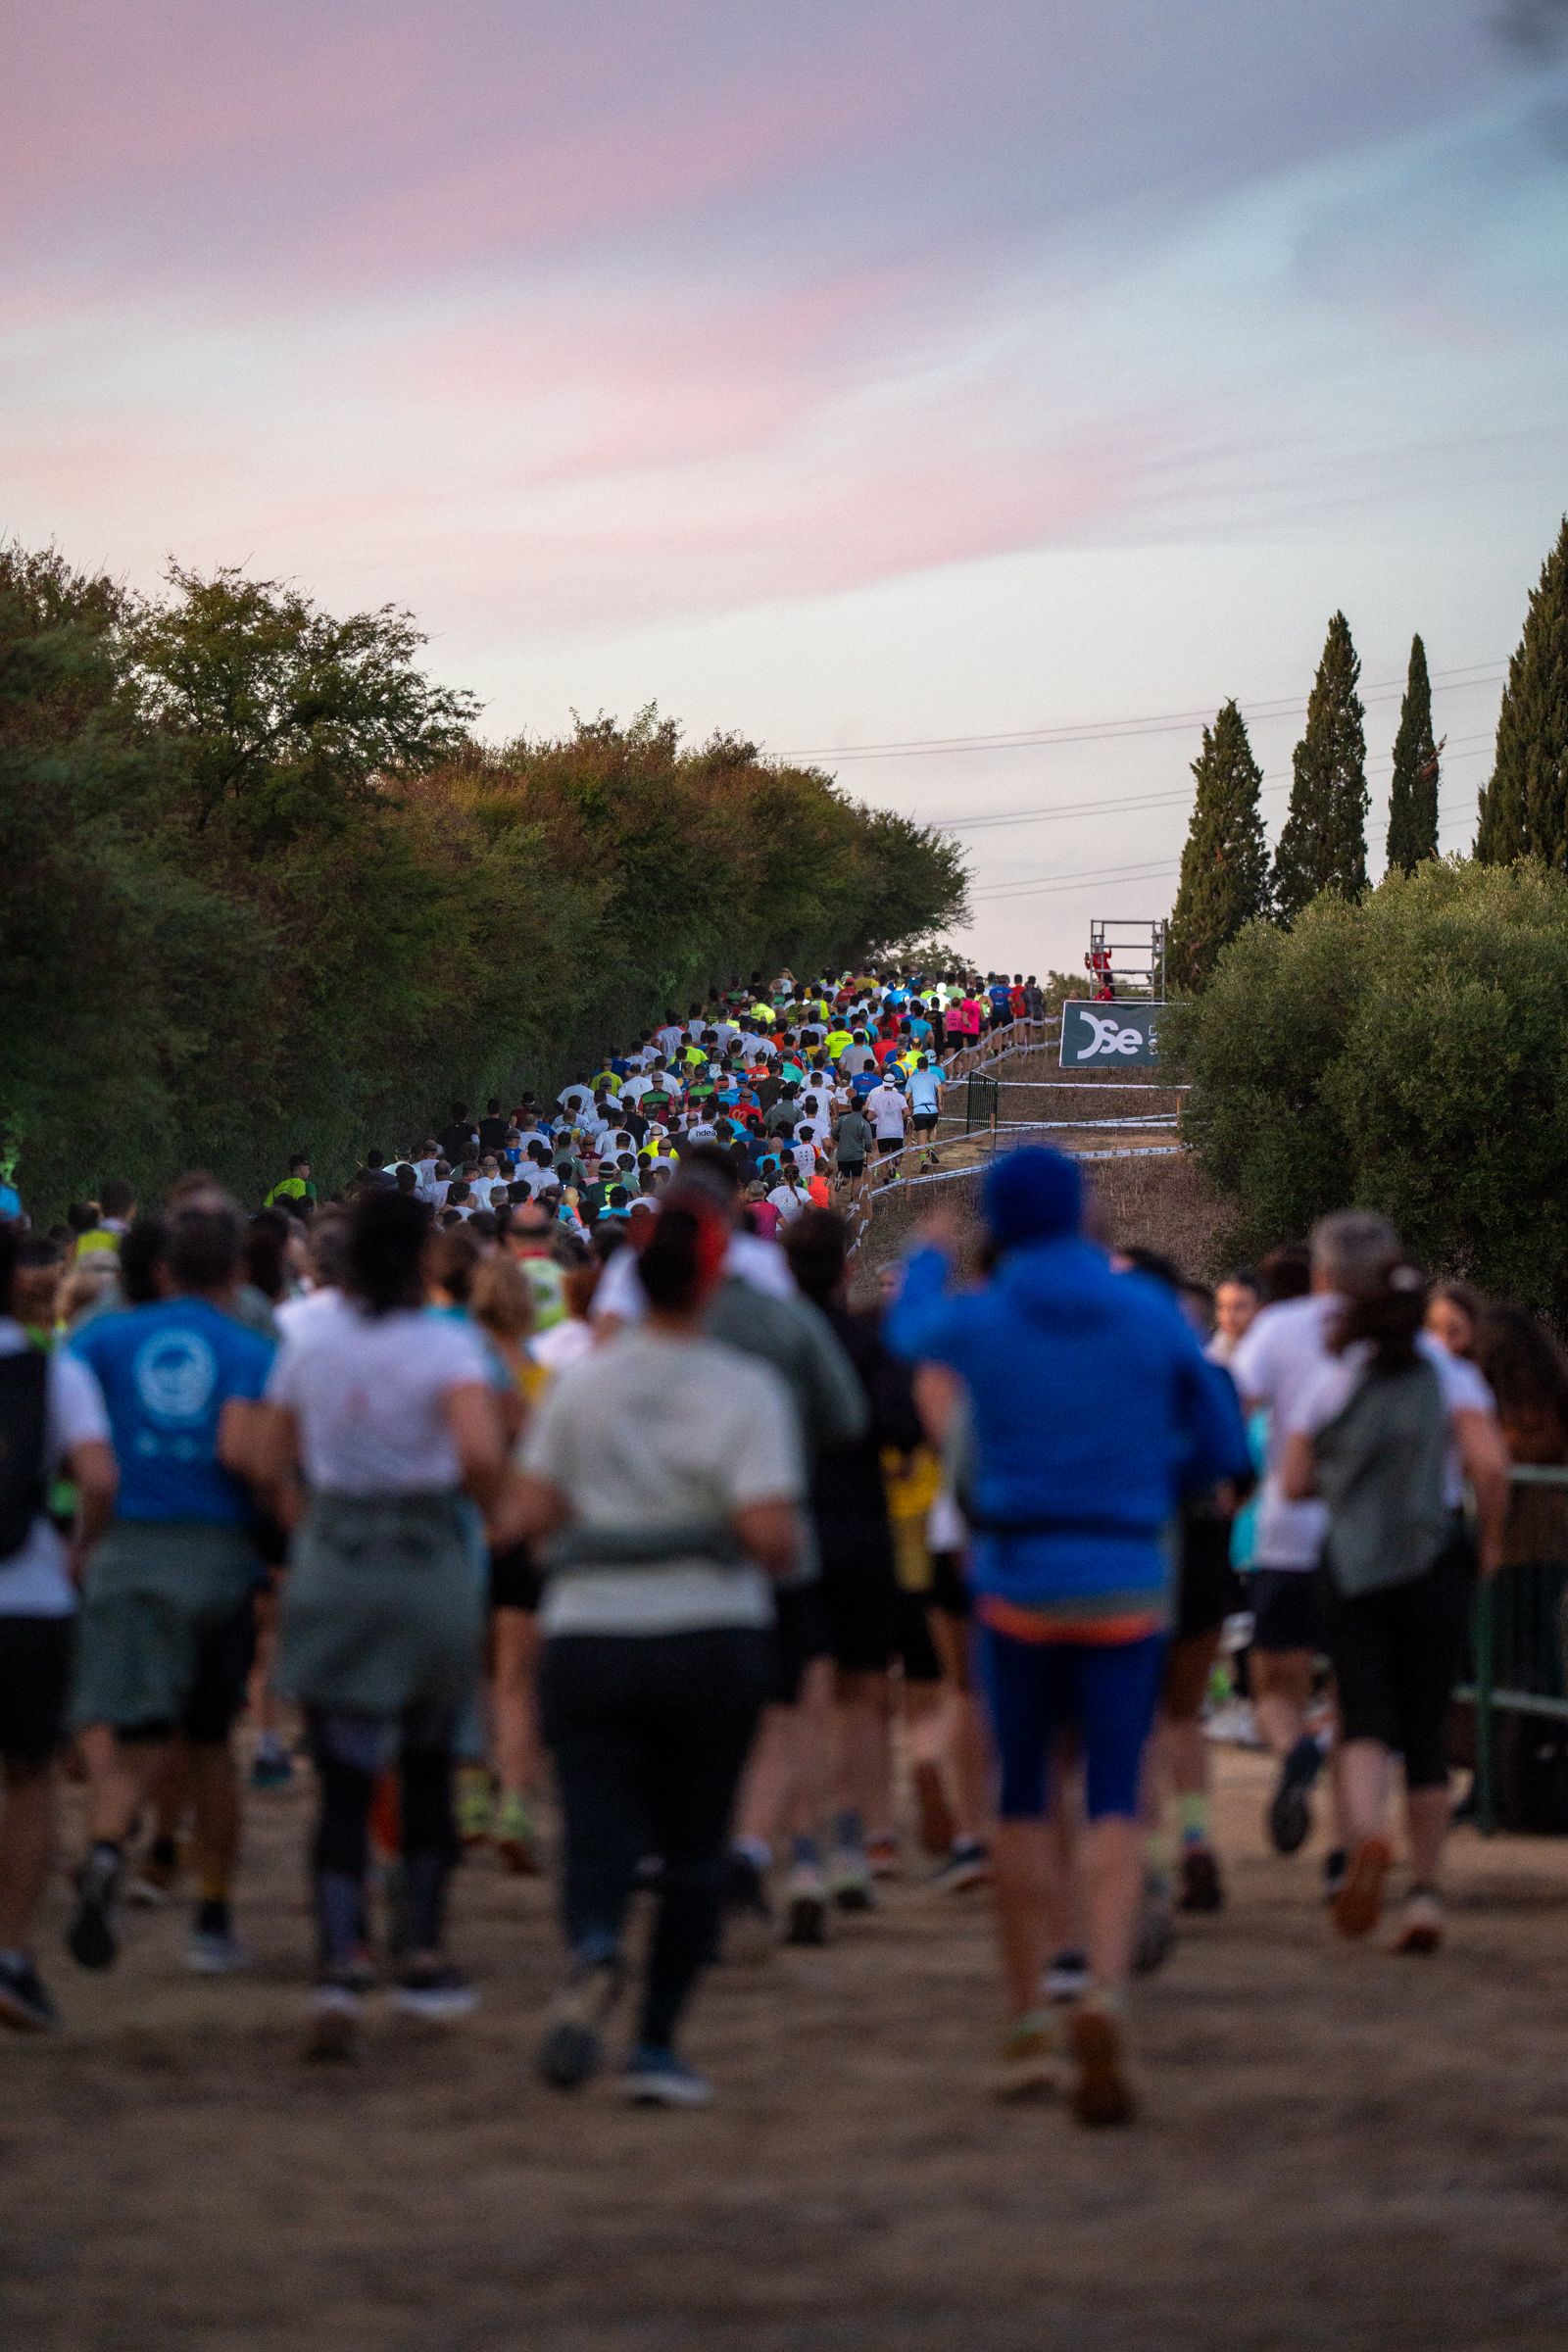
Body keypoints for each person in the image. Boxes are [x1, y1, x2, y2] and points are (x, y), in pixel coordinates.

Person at [887, 1149, 1248, 2126]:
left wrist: (926, 1254)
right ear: (1082, 1210)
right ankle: (1106, 1987)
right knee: (1115, 1789)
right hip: (1125, 1577)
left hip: (1016, 1580)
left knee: (1024, 1792)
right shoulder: (1148, 1313)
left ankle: (1029, 2010)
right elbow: (1221, 1448)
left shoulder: (987, 1313)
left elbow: (911, 1332)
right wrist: (1148, 1481)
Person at [503, 1195, 805, 2108]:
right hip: (708, 1635)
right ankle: (658, 2043)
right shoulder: (745, 1389)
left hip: (591, 1636)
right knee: (694, 1845)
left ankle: (596, 1943)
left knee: (595, 1824)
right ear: (713, 1283)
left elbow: (528, 1513)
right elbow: (773, 1537)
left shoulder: (580, 1385)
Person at [253, 1187, 506, 2057]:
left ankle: (339, 1958)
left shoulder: (306, 1341)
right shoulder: (446, 1344)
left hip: (335, 1555)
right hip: (424, 1558)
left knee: (343, 1771)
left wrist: (310, 1524)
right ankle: (423, 1952)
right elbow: (480, 1454)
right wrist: (492, 1516)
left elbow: (267, 1458)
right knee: (427, 1761)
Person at [66, 1198, 275, 1979]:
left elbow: (65, 1433)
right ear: (239, 1273)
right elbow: (251, 1460)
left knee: (133, 1736)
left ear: (160, 1270)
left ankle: (104, 1848)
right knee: (212, 1746)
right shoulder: (250, 1349)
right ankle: (213, 1918)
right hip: (217, 1560)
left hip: (124, 1551)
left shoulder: (102, 1341)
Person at [1282, 1250, 1508, 1950]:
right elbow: (1490, 1464)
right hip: (1434, 1562)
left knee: (1364, 1717)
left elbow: (1293, 1481)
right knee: (1426, 1725)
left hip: (1353, 1567)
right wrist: (1490, 1542)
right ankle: (1426, 1894)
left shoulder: (1335, 1378)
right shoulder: (1453, 1375)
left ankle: (1365, 1836)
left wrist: (1347, 1485)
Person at [0, 1223, 118, 2031]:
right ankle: (11, 1955)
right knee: (29, 1778)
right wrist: (80, 1552)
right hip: (29, 1593)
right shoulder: (53, 1371)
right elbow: (98, 1477)